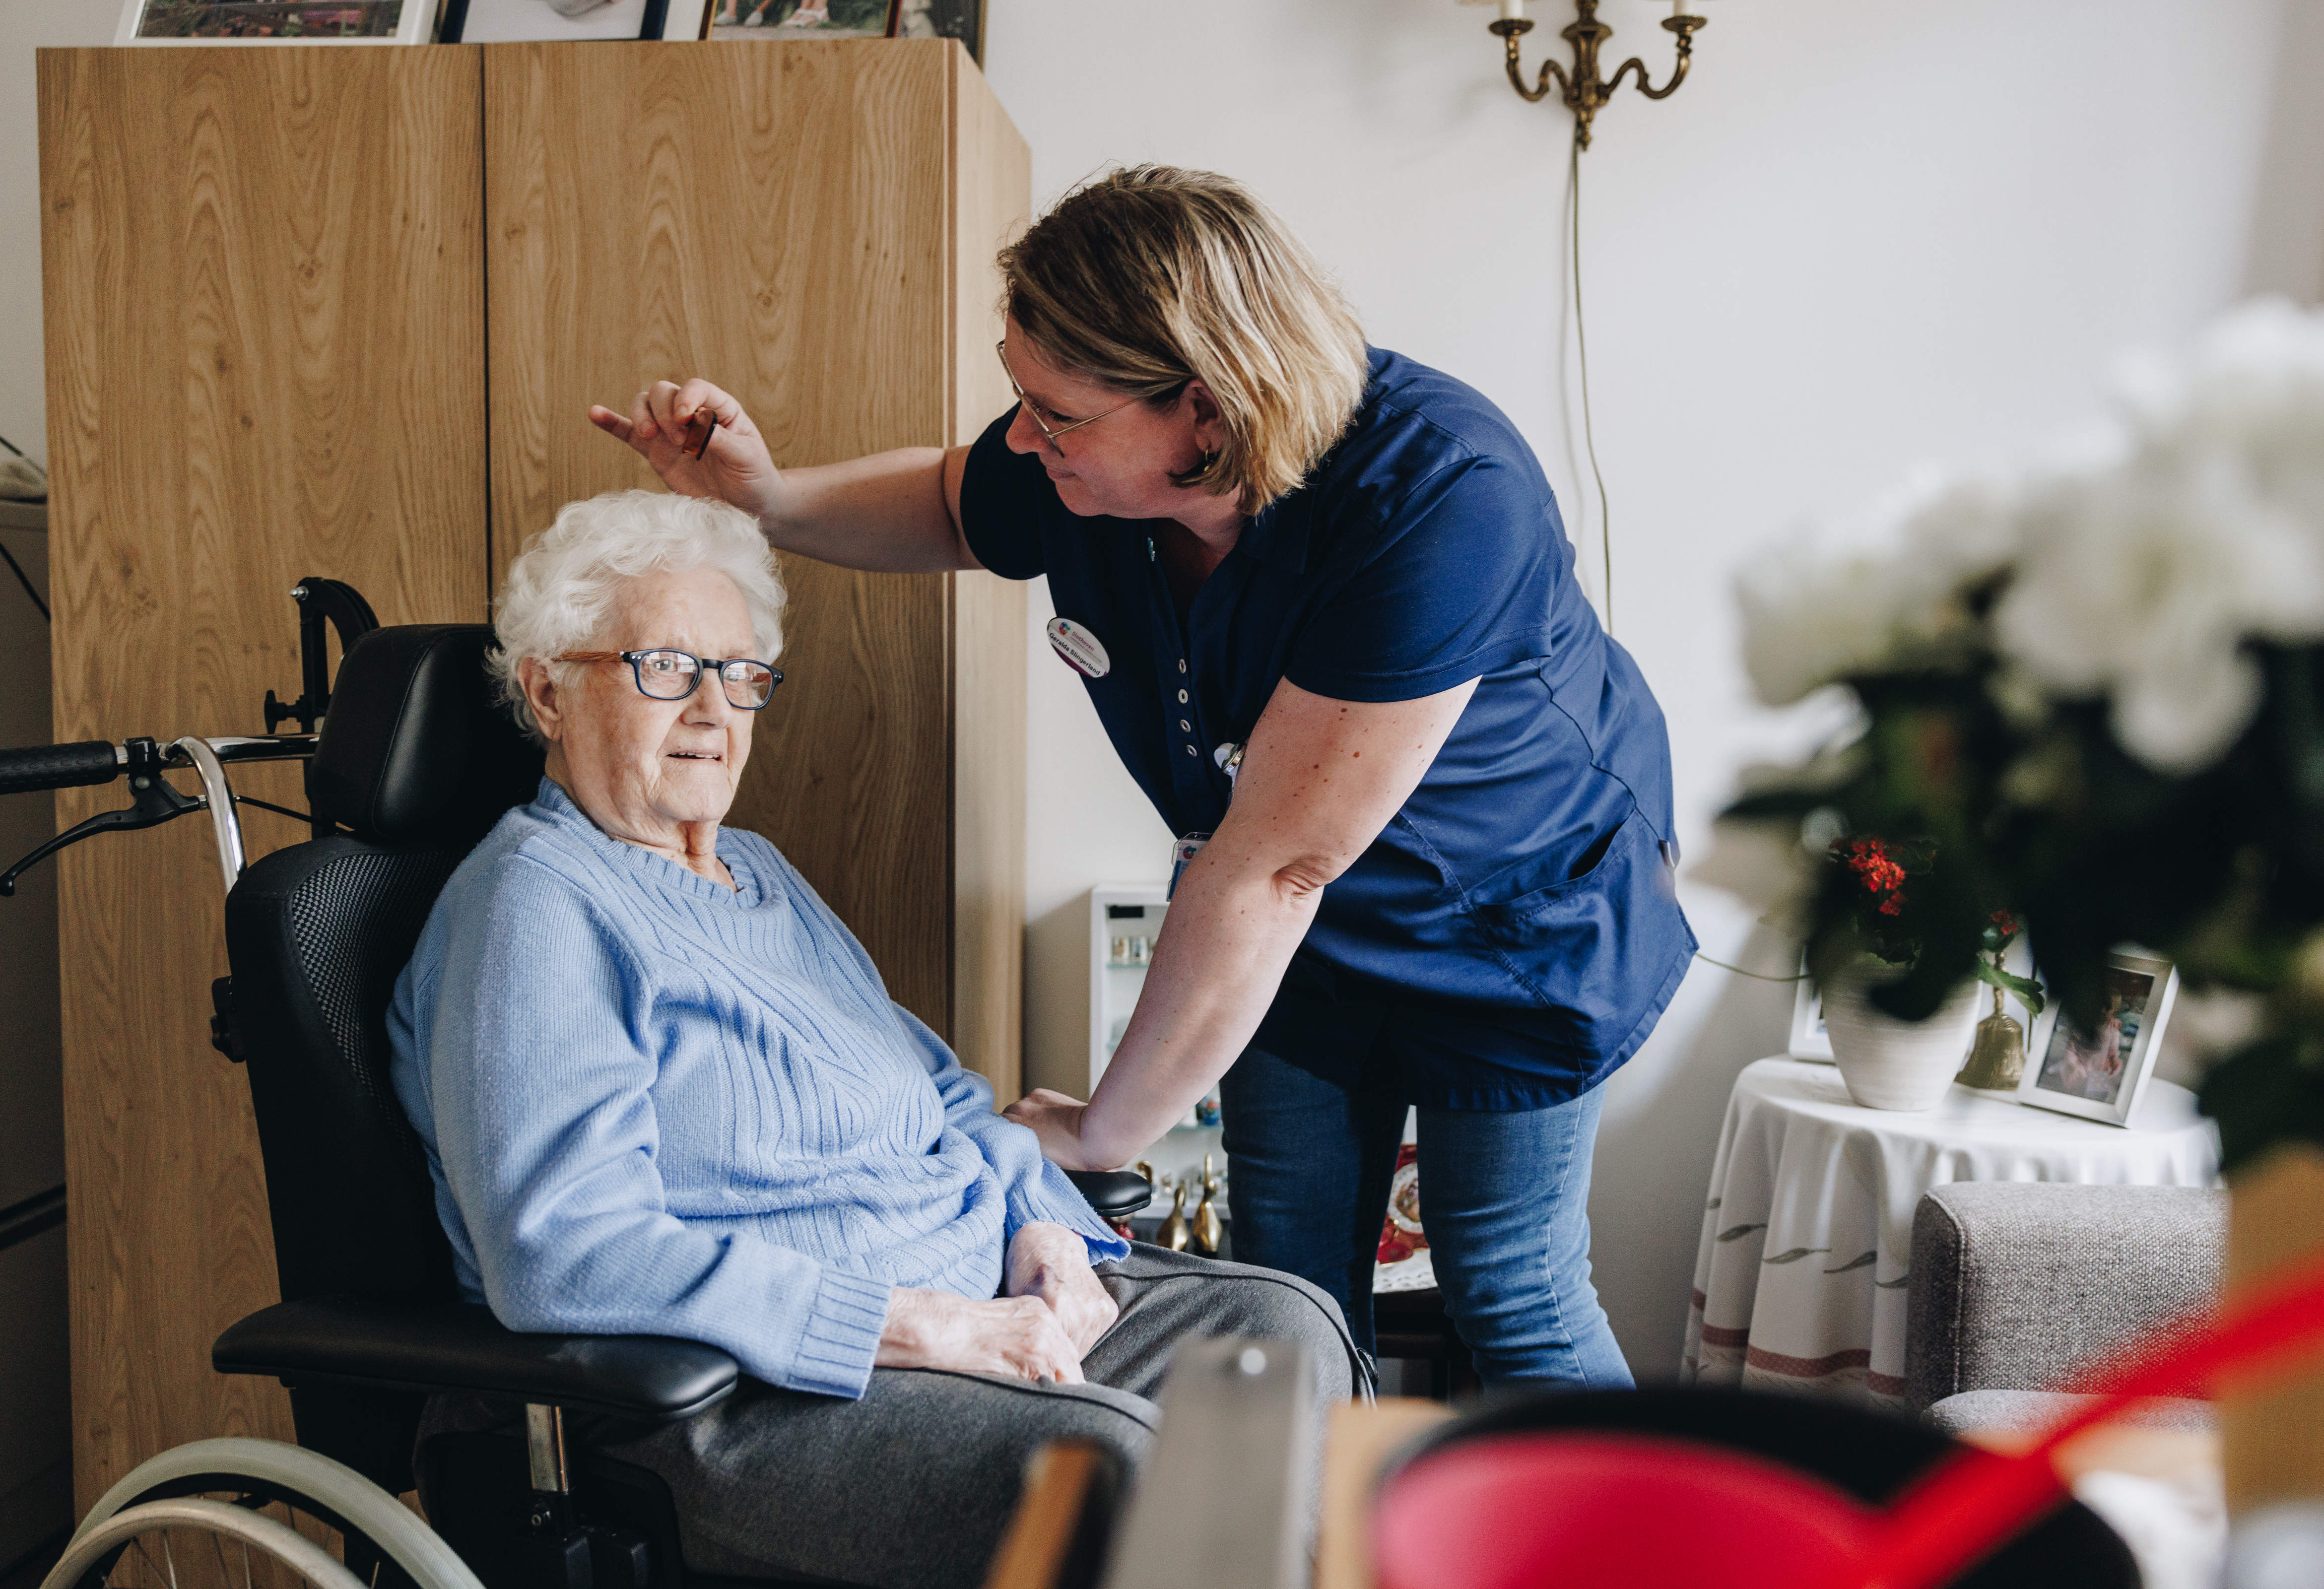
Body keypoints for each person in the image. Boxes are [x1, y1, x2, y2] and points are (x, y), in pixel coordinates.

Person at [591, 165, 1696, 1389]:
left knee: (1510, 1283)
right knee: (1286, 1289)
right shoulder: (1084, 460)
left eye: (1054, 413)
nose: (1023, 436)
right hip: (1297, 930)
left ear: (1209, 416)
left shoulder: (1442, 495)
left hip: (1513, 924)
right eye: (1022, 395)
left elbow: (1274, 866)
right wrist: (768, 497)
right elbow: (958, 508)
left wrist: (1106, 1127)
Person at [387, 490, 1362, 1589]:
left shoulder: (758, 872)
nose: (714, 707)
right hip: (727, 1392)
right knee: (1111, 1470)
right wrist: (924, 1327)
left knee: (1280, 1334)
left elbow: (940, 1094)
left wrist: (1041, 1226)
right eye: (665, 665)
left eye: (741, 672)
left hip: (960, 1311)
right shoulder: (534, 908)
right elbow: (563, 1250)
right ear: (548, 688)